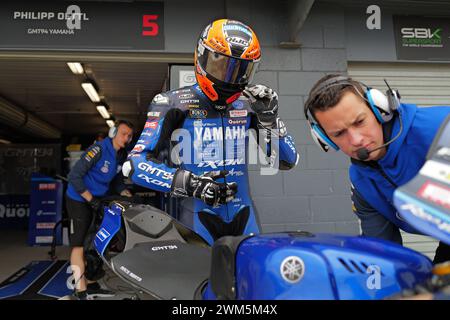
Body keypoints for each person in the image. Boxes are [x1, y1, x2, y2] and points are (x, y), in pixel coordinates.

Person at [122, 19, 299, 245]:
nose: (230, 78)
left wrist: (269, 119)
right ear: (202, 56)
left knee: (250, 278)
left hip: (243, 215)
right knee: (201, 280)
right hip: (196, 216)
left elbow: (286, 160)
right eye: (222, 66)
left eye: (241, 70)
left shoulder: (251, 103)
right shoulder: (172, 102)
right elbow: (133, 165)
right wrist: (191, 184)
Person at [303, 74, 450, 263]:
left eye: (359, 122)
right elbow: (384, 254)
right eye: (339, 133)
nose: (356, 140)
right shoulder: (362, 183)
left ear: (380, 110)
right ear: (325, 140)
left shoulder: (440, 128)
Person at [66, 120, 134, 299]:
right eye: (123, 133)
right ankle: (80, 290)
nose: (126, 138)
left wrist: (124, 192)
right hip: (78, 199)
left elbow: (117, 180)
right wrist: (91, 199)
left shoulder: (121, 155)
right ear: (113, 133)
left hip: (96, 200)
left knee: (93, 242)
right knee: (79, 243)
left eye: (129, 135)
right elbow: (74, 176)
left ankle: (91, 282)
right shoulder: (98, 150)